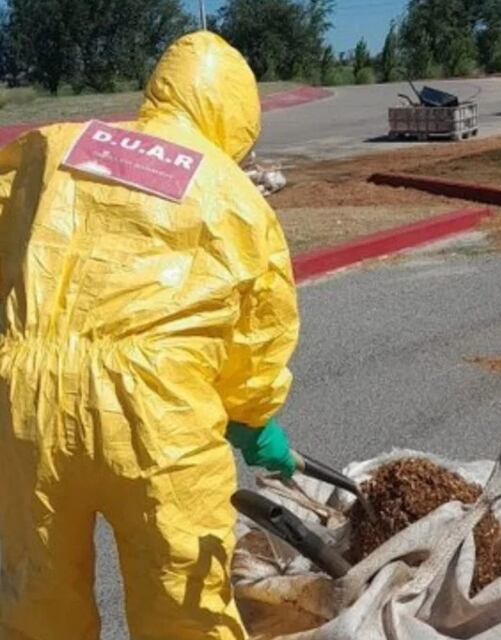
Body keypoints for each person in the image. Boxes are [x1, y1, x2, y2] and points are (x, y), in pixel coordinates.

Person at [0, 32, 299, 639]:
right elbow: (258, 328)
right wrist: (252, 418)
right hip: (158, 415)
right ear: (236, 116)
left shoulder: (55, 147)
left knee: (36, 595)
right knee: (183, 597)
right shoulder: (232, 192)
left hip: (23, 402)